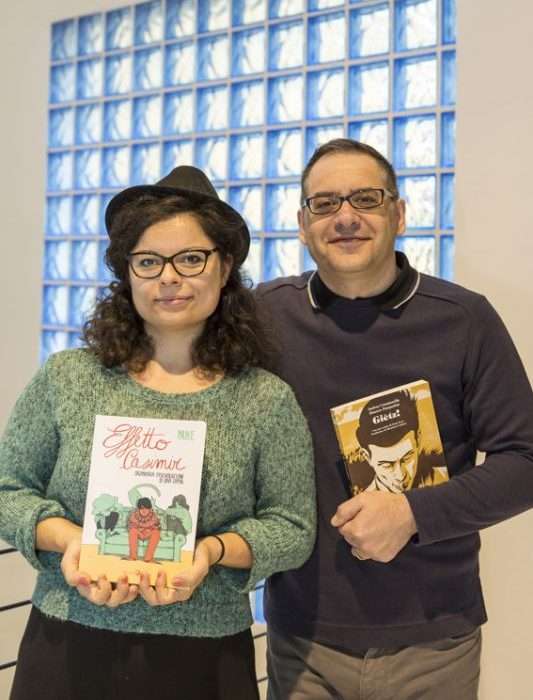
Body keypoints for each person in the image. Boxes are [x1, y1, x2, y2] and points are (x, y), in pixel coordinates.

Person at [0, 165, 316, 700]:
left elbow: (293, 528)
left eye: (191, 259)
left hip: (205, 656)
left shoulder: (264, 399)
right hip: (67, 642)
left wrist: (210, 551)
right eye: (148, 261)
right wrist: (72, 541)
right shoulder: (68, 378)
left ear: (225, 267)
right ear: (127, 274)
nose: (169, 278)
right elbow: (8, 490)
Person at [256, 138, 533, 700]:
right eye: (325, 204)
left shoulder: (464, 320)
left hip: (434, 640)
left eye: (366, 199)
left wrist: (412, 513)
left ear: (399, 214)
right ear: (303, 225)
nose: (346, 217)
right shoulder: (265, 316)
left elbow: (525, 461)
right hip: (303, 638)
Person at [355, 389, 447, 493]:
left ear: (418, 439)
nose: (400, 476)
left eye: (407, 458)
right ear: (367, 457)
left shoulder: (444, 477)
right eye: (387, 465)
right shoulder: (363, 500)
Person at [127, 497, 161, 563]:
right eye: (141, 508)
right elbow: (131, 526)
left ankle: (148, 558)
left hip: (148, 533)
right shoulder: (134, 515)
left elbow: (157, 527)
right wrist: (140, 529)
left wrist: (148, 530)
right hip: (139, 532)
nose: (144, 510)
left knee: (156, 532)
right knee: (132, 531)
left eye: (146, 508)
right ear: (138, 509)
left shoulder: (154, 516)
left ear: (150, 509)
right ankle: (133, 556)